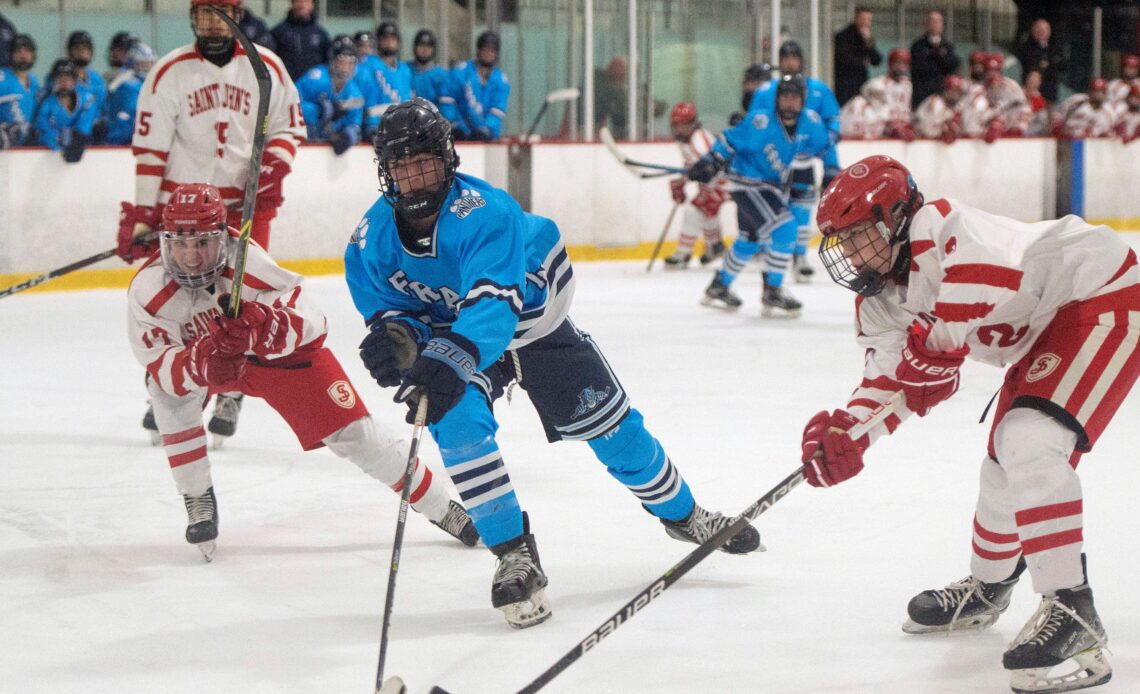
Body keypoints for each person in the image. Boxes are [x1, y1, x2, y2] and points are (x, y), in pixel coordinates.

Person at [344, 98, 762, 628]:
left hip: (533, 321)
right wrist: (392, 339)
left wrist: (443, 355)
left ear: (447, 158)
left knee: (617, 435)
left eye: (424, 160)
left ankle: (685, 515)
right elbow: (388, 311)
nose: (416, 175)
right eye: (402, 166)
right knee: (454, 419)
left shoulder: (485, 213)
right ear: (386, 172)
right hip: (462, 331)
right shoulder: (367, 241)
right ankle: (514, 554)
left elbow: (494, 307)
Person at [803, 153, 1136, 694]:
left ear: (894, 218)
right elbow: (891, 384)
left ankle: (1073, 611)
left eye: (857, 234)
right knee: (1003, 469)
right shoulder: (881, 302)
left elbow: (981, 287)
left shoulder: (947, 229)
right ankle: (989, 589)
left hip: (1101, 293)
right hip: (1046, 329)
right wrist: (850, 433)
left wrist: (933, 355)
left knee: (1027, 439)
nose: (847, 252)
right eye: (839, 241)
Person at [128, 183, 478, 560]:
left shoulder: (250, 264)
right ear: (165, 243)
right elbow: (161, 367)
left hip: (274, 359)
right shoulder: (148, 291)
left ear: (223, 239)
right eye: (180, 245)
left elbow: (314, 322)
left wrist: (265, 326)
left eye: (202, 244)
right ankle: (197, 495)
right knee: (166, 393)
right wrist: (206, 361)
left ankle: (442, 507)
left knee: (358, 435)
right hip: (213, 360)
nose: (191, 258)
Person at [115, 0, 305, 445]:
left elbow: (287, 128)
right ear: (191, 18)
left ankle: (232, 390)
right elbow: (150, 151)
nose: (210, 23)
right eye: (202, 13)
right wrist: (145, 214)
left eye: (219, 12)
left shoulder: (268, 68)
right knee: (176, 306)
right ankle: (172, 387)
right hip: (182, 218)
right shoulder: (169, 71)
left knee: (242, 302)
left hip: (243, 209)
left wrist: (276, 163)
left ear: (238, 16)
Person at [691, 74, 831, 316]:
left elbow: (825, 146)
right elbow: (729, 140)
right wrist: (711, 161)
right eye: (784, 97)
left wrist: (831, 172)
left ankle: (719, 286)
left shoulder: (809, 123)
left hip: (770, 188)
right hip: (749, 185)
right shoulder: (762, 121)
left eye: (794, 98)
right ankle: (773, 290)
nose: (789, 103)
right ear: (777, 100)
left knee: (750, 239)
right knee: (786, 228)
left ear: (802, 100)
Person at [748, 40, 842, 283]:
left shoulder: (818, 90)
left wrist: (830, 164)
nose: (790, 61)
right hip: (773, 162)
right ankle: (774, 257)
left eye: (794, 56)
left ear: (801, 60)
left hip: (802, 163)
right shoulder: (767, 90)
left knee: (801, 210)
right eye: (785, 57)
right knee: (773, 209)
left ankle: (799, 257)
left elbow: (831, 121)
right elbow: (754, 122)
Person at [662, 102, 726, 268]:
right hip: (713, 183)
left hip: (724, 182)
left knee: (694, 210)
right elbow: (692, 166)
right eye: (675, 125)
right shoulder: (684, 141)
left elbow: (712, 167)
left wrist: (689, 179)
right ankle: (715, 246)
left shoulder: (699, 139)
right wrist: (681, 182)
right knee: (706, 210)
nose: (679, 129)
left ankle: (683, 254)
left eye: (683, 125)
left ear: (692, 123)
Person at [296, 34, 363, 155]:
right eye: (341, 61)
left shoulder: (355, 95)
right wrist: (320, 111)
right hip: (300, 143)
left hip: (323, 146)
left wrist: (348, 136)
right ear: (332, 60)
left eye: (350, 62)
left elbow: (354, 123)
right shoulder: (314, 78)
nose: (345, 68)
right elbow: (291, 105)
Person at [33, 59, 97, 163]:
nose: (64, 82)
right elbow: (43, 130)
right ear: (53, 80)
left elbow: (85, 127)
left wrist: (76, 140)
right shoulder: (46, 105)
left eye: (68, 78)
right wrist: (57, 140)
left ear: (75, 81)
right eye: (59, 78)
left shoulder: (87, 100)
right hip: (51, 161)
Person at [451, 31, 510, 141]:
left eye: (492, 50)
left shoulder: (501, 80)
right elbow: (451, 102)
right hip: (461, 135)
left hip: (488, 138)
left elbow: (498, 109)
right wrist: (456, 126)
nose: (488, 53)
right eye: (485, 49)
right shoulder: (461, 71)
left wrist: (486, 129)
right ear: (478, 49)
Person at [357, 21, 412, 134]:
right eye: (385, 38)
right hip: (376, 128)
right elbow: (364, 100)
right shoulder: (367, 65)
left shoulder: (405, 69)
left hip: (403, 128)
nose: (389, 42)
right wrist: (371, 126)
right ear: (378, 41)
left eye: (393, 38)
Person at [105, 42, 156, 145]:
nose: (148, 68)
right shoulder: (126, 84)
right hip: (123, 137)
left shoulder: (154, 83)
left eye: (150, 64)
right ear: (134, 64)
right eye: (143, 64)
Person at [914, 74, 989, 143]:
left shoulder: (960, 106)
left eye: (957, 91)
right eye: (951, 90)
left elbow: (972, 131)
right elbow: (927, 132)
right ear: (945, 90)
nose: (954, 94)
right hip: (925, 144)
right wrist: (944, 131)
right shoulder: (935, 103)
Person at [909, 11, 960, 109]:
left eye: (938, 21)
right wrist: (938, 56)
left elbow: (953, 66)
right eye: (933, 21)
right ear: (926, 24)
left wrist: (935, 56)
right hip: (923, 94)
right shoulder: (918, 46)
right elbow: (920, 68)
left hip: (942, 94)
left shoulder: (947, 46)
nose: (936, 24)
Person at [832, 6, 882, 106]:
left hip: (861, 84)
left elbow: (876, 60)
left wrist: (868, 43)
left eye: (868, 20)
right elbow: (844, 59)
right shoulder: (843, 36)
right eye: (863, 19)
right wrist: (862, 61)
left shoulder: (867, 39)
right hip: (844, 85)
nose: (866, 22)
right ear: (856, 18)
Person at [862, 47, 914, 141]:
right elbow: (871, 110)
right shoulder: (878, 83)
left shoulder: (908, 84)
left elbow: (907, 108)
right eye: (897, 63)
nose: (900, 66)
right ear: (890, 64)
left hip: (902, 127)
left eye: (904, 63)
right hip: (882, 130)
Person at [66, 31, 109, 143]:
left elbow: (104, 109)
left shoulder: (97, 79)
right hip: (72, 137)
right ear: (70, 52)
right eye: (77, 48)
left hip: (95, 137)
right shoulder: (62, 79)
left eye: (85, 48)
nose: (82, 52)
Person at [271, 0, 330, 80]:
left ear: (312, 5)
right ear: (292, 4)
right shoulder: (278, 32)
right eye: (299, 1)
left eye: (306, 1)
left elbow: (328, 63)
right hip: (287, 85)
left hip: (313, 87)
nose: (302, 5)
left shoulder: (321, 34)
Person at [0, 34, 39, 149]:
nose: (23, 55)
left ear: (33, 55)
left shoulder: (34, 81)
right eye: (18, 51)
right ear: (11, 54)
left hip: (27, 149)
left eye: (27, 51)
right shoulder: (1, 77)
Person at [981, 53, 1032, 142]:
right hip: (990, 130)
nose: (992, 74)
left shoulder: (1011, 86)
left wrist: (1020, 129)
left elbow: (1025, 109)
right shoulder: (982, 88)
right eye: (989, 71)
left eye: (995, 71)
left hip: (1013, 130)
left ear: (1000, 71)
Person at [1016, 18, 1064, 103]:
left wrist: (1049, 63)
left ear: (1049, 31)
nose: (1041, 32)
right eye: (1038, 29)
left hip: (1049, 94)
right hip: (1030, 92)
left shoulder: (1055, 48)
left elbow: (1061, 64)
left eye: (1043, 30)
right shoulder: (1026, 48)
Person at [1051, 78, 1117, 139]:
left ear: (1105, 93)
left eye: (1100, 91)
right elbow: (1058, 115)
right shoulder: (1077, 100)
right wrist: (1058, 129)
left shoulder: (1109, 112)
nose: (1097, 94)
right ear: (1089, 91)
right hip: (1067, 138)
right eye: (1094, 90)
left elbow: (1109, 133)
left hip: (1090, 144)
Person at [406, 29, 453, 115]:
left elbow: (447, 105)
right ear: (415, 47)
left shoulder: (441, 75)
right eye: (421, 46)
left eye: (428, 46)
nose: (424, 50)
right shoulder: (406, 69)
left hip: (432, 122)